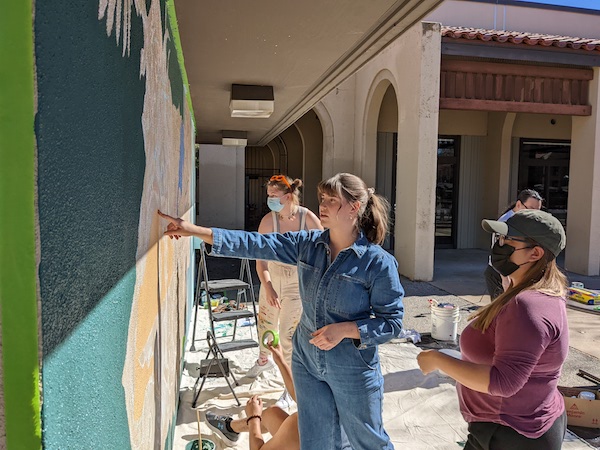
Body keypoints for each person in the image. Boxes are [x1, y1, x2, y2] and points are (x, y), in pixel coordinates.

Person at [159, 172, 404, 450]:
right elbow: (258, 244)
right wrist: (194, 230)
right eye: (322, 198)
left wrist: (346, 330)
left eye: (332, 200)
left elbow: (392, 322)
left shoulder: (378, 263)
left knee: (369, 442)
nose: (322, 205)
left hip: (351, 367)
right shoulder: (308, 244)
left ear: (354, 207)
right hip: (307, 362)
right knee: (316, 443)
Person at [417, 209, 568, 450]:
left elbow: (503, 383)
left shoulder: (527, 305)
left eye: (508, 240)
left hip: (512, 433)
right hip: (509, 426)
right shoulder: (538, 292)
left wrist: (437, 359)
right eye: (499, 239)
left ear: (535, 253)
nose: (499, 245)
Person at [246, 174, 322, 412]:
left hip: (296, 284)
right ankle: (262, 359)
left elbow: (324, 248)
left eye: (273, 196)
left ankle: (290, 388)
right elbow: (261, 262)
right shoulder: (268, 222)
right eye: (268, 195)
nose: (269, 200)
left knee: (288, 336)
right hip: (272, 280)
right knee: (266, 328)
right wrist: (268, 287)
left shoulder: (307, 218)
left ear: (288, 196)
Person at [206, 340, 300, 450]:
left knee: (287, 428)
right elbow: (301, 396)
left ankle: (234, 427)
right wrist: (280, 361)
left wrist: (253, 417)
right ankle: (230, 429)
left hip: (304, 439)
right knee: (271, 413)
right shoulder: (320, 404)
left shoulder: (298, 429)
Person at [484, 189, 543, 299]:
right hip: (500, 273)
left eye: (537, 211)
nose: (534, 214)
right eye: (530, 209)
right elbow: (499, 253)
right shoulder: (506, 222)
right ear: (519, 204)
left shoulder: (523, 220)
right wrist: (505, 279)